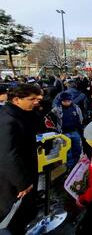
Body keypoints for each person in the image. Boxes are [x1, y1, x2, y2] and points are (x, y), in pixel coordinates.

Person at [0, 84, 42, 234]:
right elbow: (7, 155)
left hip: (24, 176)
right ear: (16, 100)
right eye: (33, 99)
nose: (37, 101)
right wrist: (22, 183)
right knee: (14, 220)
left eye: (39, 98)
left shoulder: (22, 114)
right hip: (13, 185)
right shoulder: (7, 120)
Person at [51, 92, 83, 169]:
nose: (67, 102)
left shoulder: (76, 108)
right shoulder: (56, 110)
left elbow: (80, 118)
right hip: (64, 133)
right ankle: (70, 166)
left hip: (75, 131)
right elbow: (52, 121)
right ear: (61, 101)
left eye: (69, 101)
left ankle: (76, 164)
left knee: (77, 148)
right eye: (65, 101)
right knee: (67, 151)